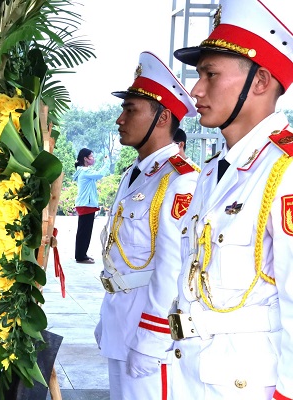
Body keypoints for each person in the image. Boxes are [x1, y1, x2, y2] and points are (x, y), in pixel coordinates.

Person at [168, 1, 293, 399]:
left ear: (260, 82)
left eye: (210, 74)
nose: (195, 90)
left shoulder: (284, 170)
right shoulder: (212, 172)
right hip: (193, 370)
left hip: (249, 385)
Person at [96, 51, 198, 399]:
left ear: (162, 117)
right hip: (121, 319)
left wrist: (153, 338)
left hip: (151, 335)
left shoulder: (180, 181)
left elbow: (175, 268)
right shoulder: (136, 174)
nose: (120, 119)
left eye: (131, 110)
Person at [73, 149, 107, 263]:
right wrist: (106, 163)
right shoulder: (85, 171)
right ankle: (80, 256)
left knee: (84, 231)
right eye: (91, 156)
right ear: (85, 159)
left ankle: (82, 254)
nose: (93, 158)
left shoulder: (84, 171)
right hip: (86, 205)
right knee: (84, 232)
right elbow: (100, 174)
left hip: (85, 204)